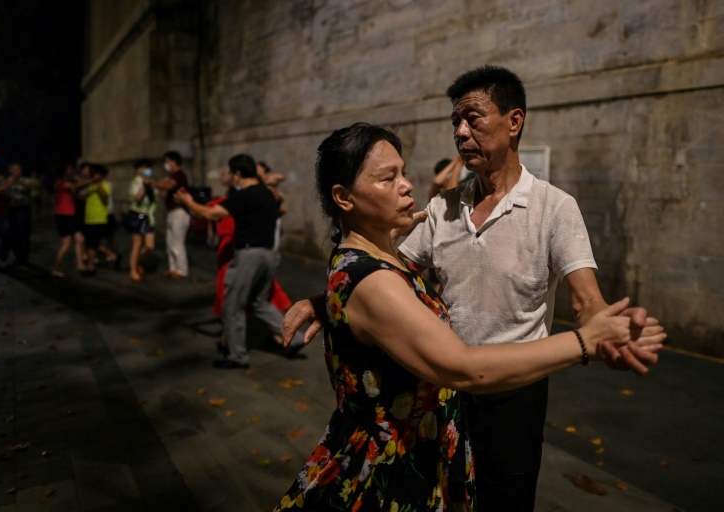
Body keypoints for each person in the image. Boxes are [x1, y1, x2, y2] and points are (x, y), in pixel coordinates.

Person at [282, 66, 662, 512]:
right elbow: (384, 278)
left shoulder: (554, 207)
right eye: (455, 122)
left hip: (513, 392)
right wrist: (328, 300)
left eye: (473, 118)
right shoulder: (442, 208)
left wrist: (605, 329)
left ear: (514, 121)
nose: (461, 133)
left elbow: (587, 300)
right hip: (443, 389)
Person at [174, 154, 297, 369]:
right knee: (260, 303)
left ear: (238, 174)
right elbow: (280, 210)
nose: (231, 178)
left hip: (248, 255)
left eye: (231, 174)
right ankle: (295, 338)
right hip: (268, 255)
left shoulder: (244, 196)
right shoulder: (267, 194)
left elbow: (210, 214)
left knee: (233, 306)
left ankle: (237, 356)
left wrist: (187, 201)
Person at [205, 167, 293, 355]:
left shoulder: (257, 196)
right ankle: (286, 337)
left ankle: (237, 350)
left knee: (239, 302)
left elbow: (281, 208)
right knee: (253, 301)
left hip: (247, 253)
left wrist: (187, 201)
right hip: (244, 252)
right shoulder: (244, 197)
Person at [155, 150, 190, 279]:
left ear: (173, 161)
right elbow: (163, 193)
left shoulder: (179, 175)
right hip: (171, 212)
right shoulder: (171, 176)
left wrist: (156, 183)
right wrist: (161, 186)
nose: (166, 164)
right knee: (170, 243)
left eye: (167, 161)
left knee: (177, 242)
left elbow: (168, 186)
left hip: (179, 211)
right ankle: (173, 268)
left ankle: (181, 270)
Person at [80, 164, 118, 276]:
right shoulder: (91, 186)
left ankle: (93, 266)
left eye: (95, 174)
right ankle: (109, 257)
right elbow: (82, 196)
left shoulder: (105, 185)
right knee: (91, 244)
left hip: (98, 219)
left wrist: (98, 183)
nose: (93, 175)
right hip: (89, 219)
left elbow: (105, 196)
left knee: (92, 244)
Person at [126, 159, 157, 282]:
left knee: (150, 246)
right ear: (137, 170)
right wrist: (145, 186)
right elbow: (137, 199)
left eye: (147, 167)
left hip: (149, 215)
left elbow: (154, 198)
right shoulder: (136, 181)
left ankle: (136, 262)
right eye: (143, 167)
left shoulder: (151, 181)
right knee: (137, 244)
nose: (145, 170)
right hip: (137, 214)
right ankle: (133, 271)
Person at [50, 163, 79, 277]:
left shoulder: (61, 183)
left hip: (66, 214)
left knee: (73, 240)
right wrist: (91, 180)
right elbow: (75, 186)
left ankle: (80, 261)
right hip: (64, 215)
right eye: (69, 169)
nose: (72, 171)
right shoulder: (62, 182)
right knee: (66, 243)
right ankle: (55, 268)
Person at [6, 162, 33, 267]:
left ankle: (24, 258)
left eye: (19, 169)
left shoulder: (25, 180)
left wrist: (19, 182)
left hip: (23, 208)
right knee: (13, 233)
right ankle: (17, 256)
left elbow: (30, 188)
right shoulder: (8, 180)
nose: (18, 171)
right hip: (11, 209)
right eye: (15, 169)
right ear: (11, 170)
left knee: (24, 233)